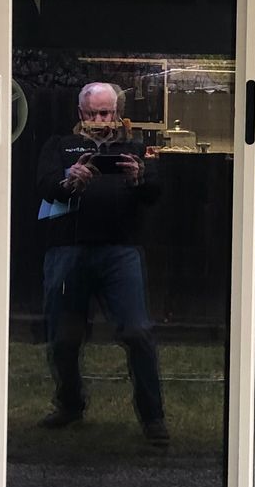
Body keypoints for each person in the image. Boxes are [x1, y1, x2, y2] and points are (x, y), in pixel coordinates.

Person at [34, 82, 168, 446]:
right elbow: (44, 185)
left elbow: (156, 191)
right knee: (63, 336)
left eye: (105, 112)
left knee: (138, 331)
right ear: (80, 113)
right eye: (91, 113)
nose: (98, 119)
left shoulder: (136, 147)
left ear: (117, 112)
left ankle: (153, 419)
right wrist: (69, 180)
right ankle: (69, 405)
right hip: (68, 248)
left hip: (119, 250)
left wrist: (138, 177)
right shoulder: (60, 145)